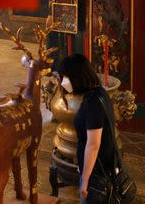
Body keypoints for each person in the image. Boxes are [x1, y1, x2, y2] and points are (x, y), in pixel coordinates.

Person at [59, 53, 118, 203]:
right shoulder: (100, 93)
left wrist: (85, 180)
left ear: (77, 77)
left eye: (66, 77)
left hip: (96, 173)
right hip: (102, 167)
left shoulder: (93, 103)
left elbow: (93, 145)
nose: (64, 81)